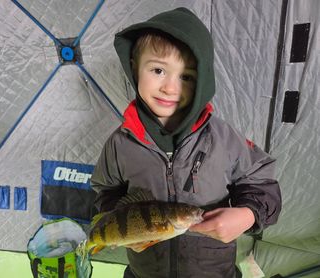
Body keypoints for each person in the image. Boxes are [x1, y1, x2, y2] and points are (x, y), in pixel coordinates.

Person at [91, 7, 281, 278]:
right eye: (158, 70)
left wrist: (248, 215)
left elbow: (262, 182)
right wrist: (120, 220)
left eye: (186, 77)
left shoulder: (224, 139)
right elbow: (105, 189)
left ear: (203, 80)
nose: (170, 87)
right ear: (135, 67)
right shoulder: (119, 143)